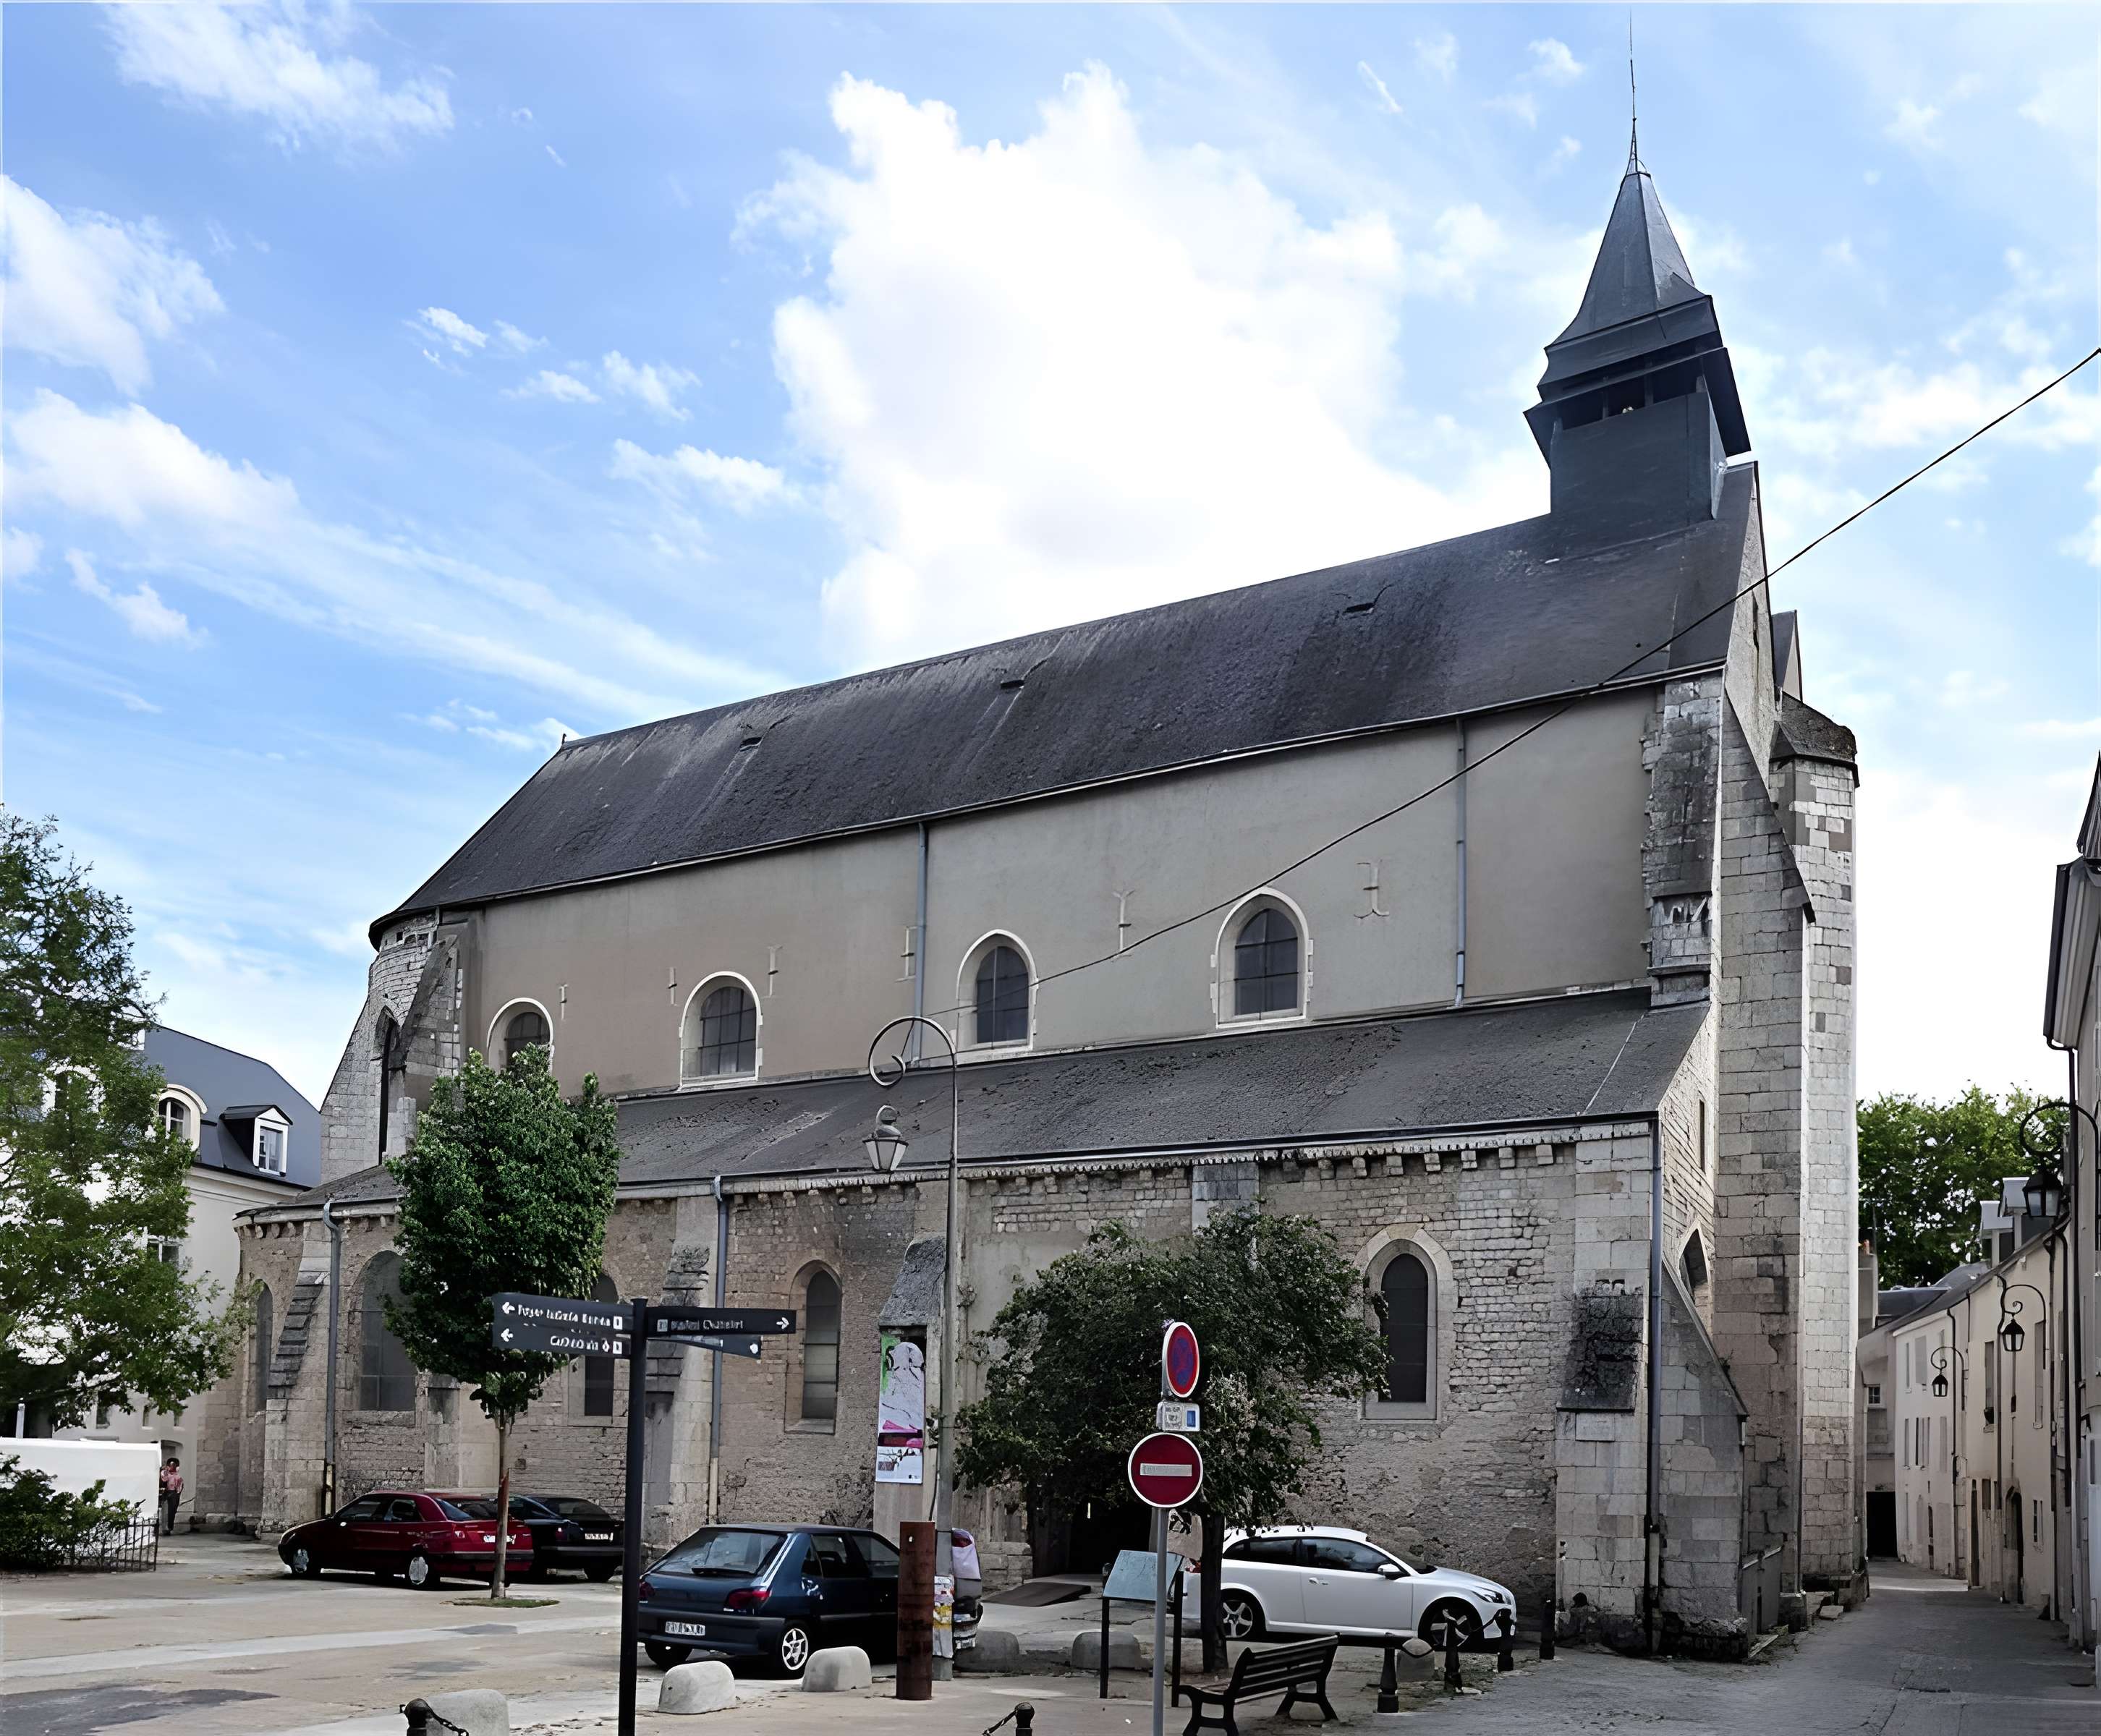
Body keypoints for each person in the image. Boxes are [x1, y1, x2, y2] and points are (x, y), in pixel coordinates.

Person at [159, 1457, 182, 1536]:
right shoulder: (166, 1474)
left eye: (174, 1466)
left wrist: (177, 1495)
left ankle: (169, 1528)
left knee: (172, 1512)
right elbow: (164, 1479)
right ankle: (164, 1528)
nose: (173, 1467)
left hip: (174, 1494)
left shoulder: (178, 1477)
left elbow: (179, 1487)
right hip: (166, 1493)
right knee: (165, 1511)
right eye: (171, 1465)